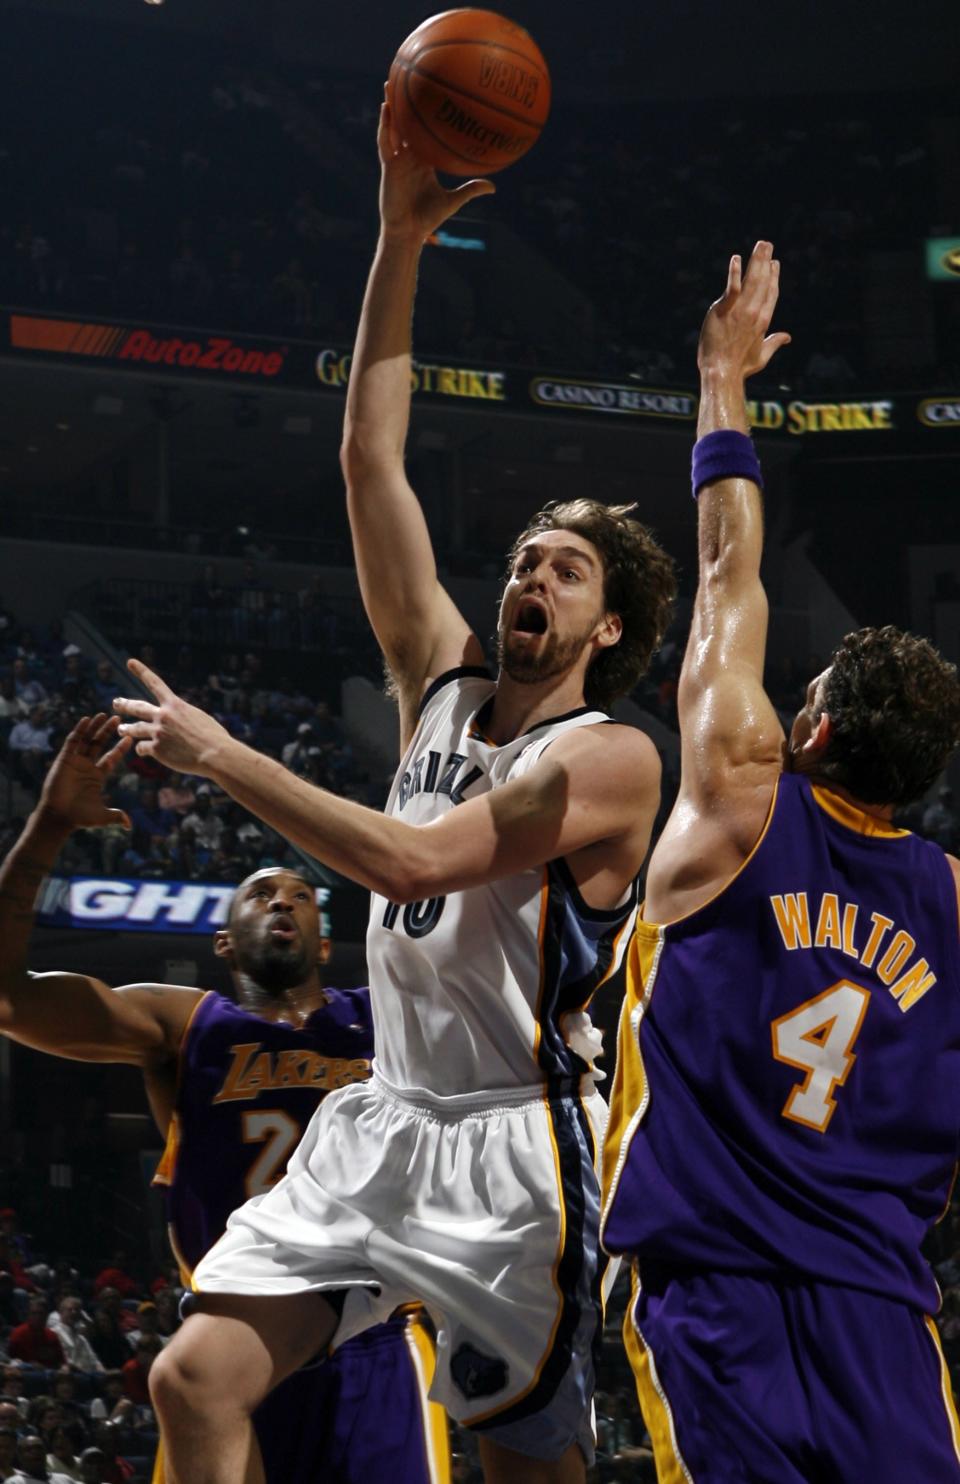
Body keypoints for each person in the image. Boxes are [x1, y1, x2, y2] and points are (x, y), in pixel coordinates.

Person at [112, 98, 676, 1484]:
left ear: (606, 629)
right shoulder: (438, 675)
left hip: (516, 1145)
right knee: (195, 1378)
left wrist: (225, 755)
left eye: (567, 569)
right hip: (383, 1118)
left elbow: (419, 868)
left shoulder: (612, 756)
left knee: (522, 1472)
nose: (530, 574)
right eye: (529, 554)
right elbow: (371, 457)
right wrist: (395, 241)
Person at [600, 242, 960, 1481]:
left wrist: (721, 380)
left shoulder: (741, 801)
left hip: (717, 1282)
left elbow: (722, 574)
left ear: (808, 727)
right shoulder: (956, 904)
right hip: (881, 1308)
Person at [0, 715, 448, 1484]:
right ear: (223, 941)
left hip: (374, 1335)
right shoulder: (185, 1022)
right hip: (234, 1335)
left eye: (300, 896)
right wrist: (48, 826)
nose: (281, 903)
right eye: (260, 895)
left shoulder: (382, 1015)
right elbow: (9, 999)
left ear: (323, 934)